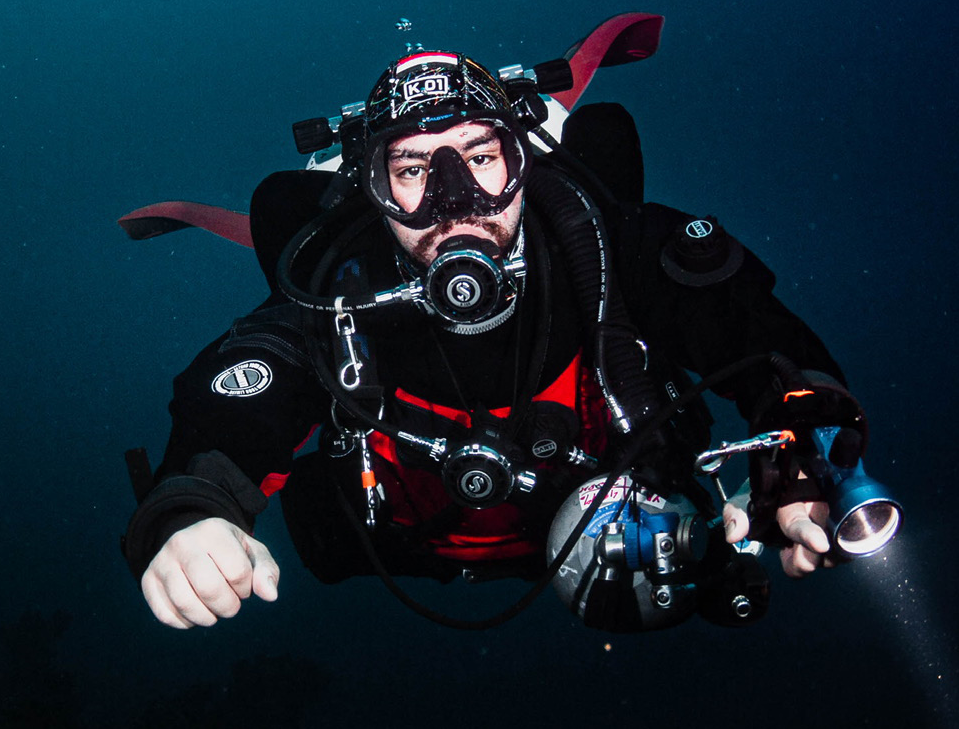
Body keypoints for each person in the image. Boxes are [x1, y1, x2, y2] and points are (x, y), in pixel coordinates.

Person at [122, 47, 870, 631]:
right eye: (413, 169)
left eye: (481, 158)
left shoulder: (606, 251)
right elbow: (254, 377)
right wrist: (191, 506)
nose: (454, 202)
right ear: (377, 192)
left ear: (521, 162)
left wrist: (803, 455)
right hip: (415, 545)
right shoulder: (340, 294)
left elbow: (749, 330)